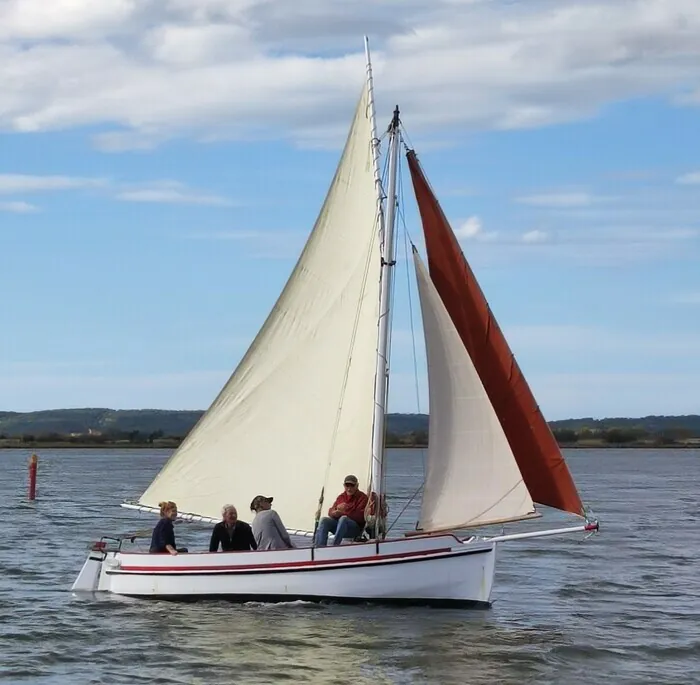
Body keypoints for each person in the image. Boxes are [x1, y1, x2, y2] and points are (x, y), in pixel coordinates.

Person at [314, 475, 368, 547]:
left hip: (354, 529)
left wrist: (343, 512)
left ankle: (334, 546)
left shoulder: (362, 498)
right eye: (347, 486)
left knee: (344, 519)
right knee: (324, 520)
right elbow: (330, 511)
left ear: (357, 486)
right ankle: (320, 547)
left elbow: (360, 516)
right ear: (344, 485)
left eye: (352, 486)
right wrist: (334, 512)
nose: (349, 489)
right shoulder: (341, 497)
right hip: (339, 526)